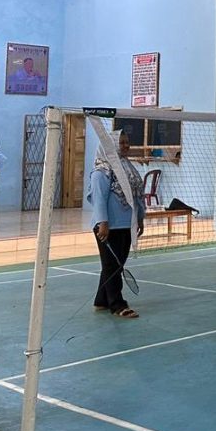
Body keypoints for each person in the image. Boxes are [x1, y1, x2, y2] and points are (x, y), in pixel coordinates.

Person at [88, 131, 145, 319]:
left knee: (114, 265)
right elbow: (98, 198)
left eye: (127, 142)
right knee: (112, 265)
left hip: (127, 224)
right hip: (108, 226)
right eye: (121, 142)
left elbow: (137, 196)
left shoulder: (128, 168)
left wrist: (140, 217)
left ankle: (101, 300)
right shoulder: (101, 172)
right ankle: (117, 304)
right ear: (110, 146)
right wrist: (102, 223)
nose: (126, 145)